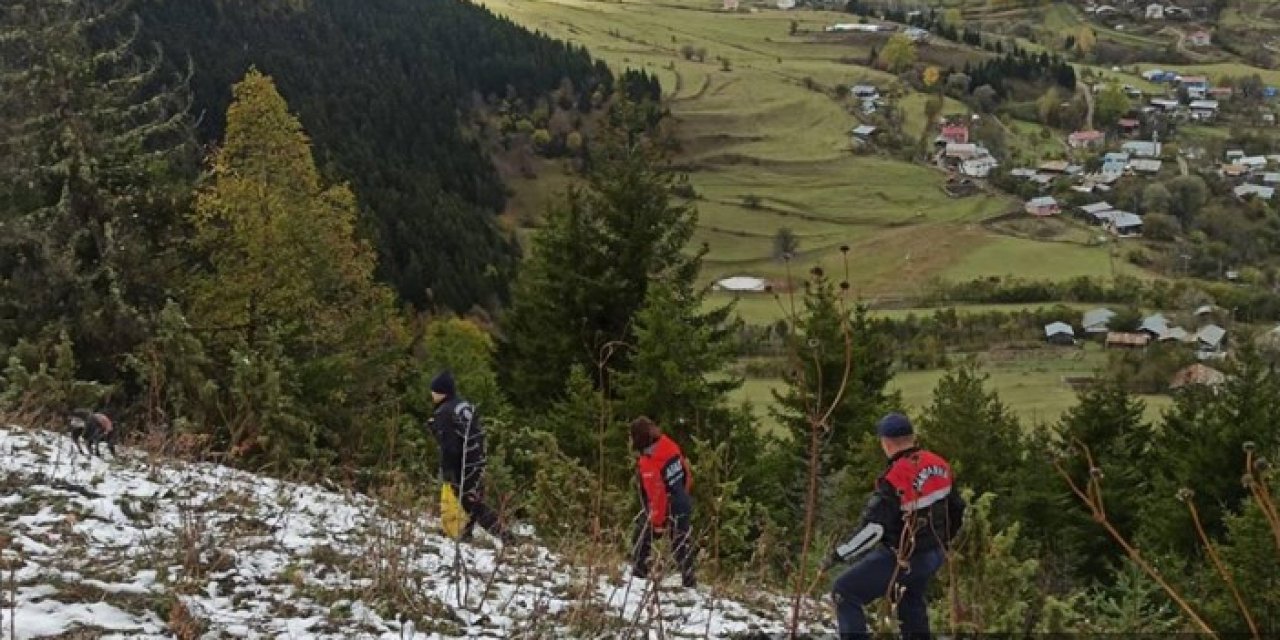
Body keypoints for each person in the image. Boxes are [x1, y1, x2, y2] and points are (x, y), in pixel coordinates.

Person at [825, 412, 966, 639]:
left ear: (887, 443)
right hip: (934, 554)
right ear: (912, 437)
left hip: (904, 557)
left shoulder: (895, 478)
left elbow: (873, 530)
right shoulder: (939, 464)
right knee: (910, 600)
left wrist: (839, 554)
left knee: (845, 590)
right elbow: (958, 509)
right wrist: (943, 542)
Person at [429, 370, 510, 542]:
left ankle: (505, 537)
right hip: (477, 460)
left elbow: (449, 446)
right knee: (472, 499)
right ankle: (465, 533)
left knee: (471, 502)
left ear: (441, 391)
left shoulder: (444, 412)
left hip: (461, 464)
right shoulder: (464, 406)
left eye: (434, 391)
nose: (432, 395)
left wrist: (448, 469)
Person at [630, 416, 697, 588]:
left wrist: (657, 522)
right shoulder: (670, 445)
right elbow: (686, 472)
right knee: (682, 545)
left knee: (642, 536)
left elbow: (656, 495)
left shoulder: (648, 463)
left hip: (666, 507)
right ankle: (689, 582)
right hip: (682, 500)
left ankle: (639, 575)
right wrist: (683, 494)